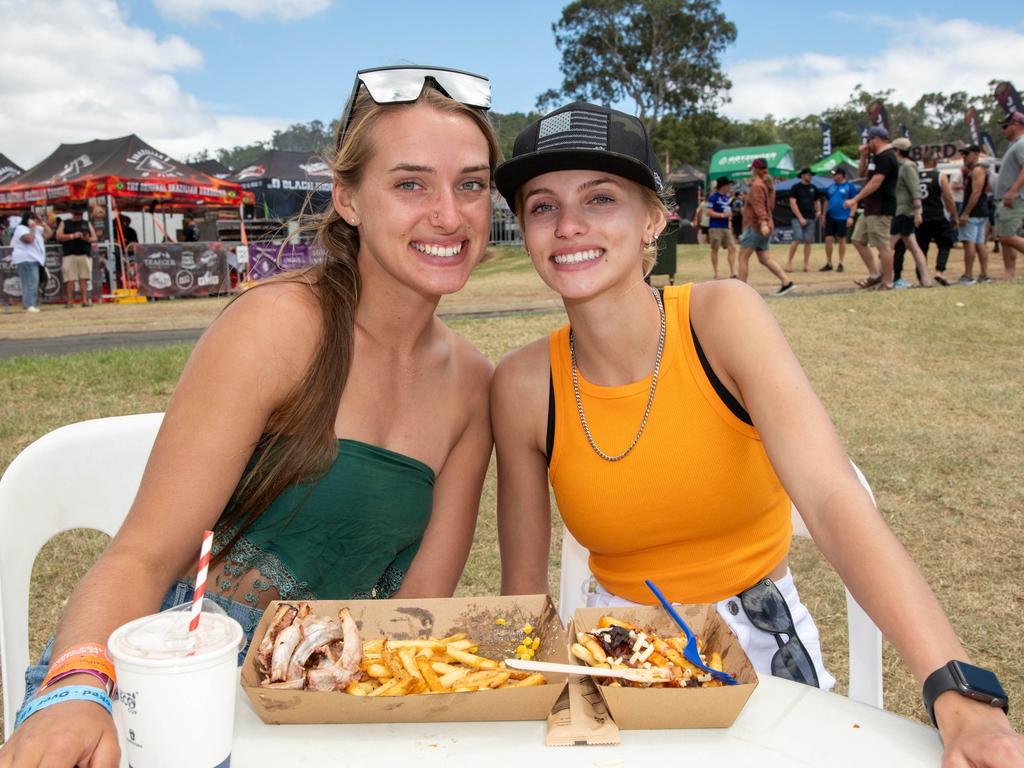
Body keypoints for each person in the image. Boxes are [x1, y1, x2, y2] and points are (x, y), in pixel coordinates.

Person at [491, 101, 1023, 767]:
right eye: (542, 206)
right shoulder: (520, 386)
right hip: (611, 653)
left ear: (655, 217)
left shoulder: (720, 319)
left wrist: (957, 688)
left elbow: (832, 498)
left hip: (760, 641)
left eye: (600, 198)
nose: (568, 226)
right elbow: (521, 602)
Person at [1, 65, 498, 767]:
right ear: (349, 199)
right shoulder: (279, 326)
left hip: (324, 701)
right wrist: (78, 687)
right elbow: (141, 555)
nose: (449, 214)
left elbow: (412, 619)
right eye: (410, 182)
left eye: (471, 184)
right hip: (168, 687)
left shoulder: (474, 384)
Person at [845, 126, 898, 289]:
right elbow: (862, 174)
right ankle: (875, 275)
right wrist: (863, 156)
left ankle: (888, 282)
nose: (867, 144)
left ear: (876, 139)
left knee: (883, 246)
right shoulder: (876, 157)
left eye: (869, 140)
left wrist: (855, 199)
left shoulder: (887, 157)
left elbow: (876, 182)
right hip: (871, 206)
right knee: (857, 239)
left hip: (881, 207)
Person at [894, 151, 958, 287]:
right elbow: (948, 197)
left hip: (920, 216)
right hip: (938, 215)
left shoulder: (915, 175)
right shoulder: (940, 175)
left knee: (921, 247)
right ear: (935, 162)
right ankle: (939, 271)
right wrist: (954, 215)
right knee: (945, 244)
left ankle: (921, 278)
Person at [735, 158, 793, 295]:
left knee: (743, 257)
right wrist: (766, 223)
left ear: (754, 170)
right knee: (764, 259)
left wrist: (763, 223)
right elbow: (770, 207)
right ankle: (787, 282)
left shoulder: (756, 186)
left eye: (751, 169)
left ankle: (741, 291)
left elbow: (759, 207)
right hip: (764, 226)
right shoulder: (767, 185)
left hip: (755, 227)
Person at [887, 138, 933, 288]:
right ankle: (926, 279)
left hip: (904, 211)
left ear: (898, 151)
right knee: (913, 247)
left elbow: (915, 190)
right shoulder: (898, 166)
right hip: (899, 210)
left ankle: (882, 277)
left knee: (889, 245)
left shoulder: (908, 166)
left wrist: (918, 211)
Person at [993, 111, 1024, 281]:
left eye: (1006, 126)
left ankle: (1009, 274)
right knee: (1005, 237)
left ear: (1016, 125)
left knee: (1007, 236)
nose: (1003, 129)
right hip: (1010, 198)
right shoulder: (1014, 145)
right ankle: (1009, 275)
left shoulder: (1021, 144)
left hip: (1015, 198)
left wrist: (1013, 191)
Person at [957, 145, 992, 284]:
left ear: (976, 154)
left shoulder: (978, 170)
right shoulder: (977, 170)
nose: (964, 156)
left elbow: (976, 192)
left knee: (969, 243)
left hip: (974, 212)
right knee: (980, 243)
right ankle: (983, 275)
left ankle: (968, 275)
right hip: (981, 211)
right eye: (963, 154)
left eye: (967, 153)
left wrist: (965, 213)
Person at [8, 210, 51, 312]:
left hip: (35, 259)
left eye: (35, 218)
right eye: (32, 218)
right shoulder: (20, 229)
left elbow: (49, 234)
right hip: (26, 258)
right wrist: (32, 229)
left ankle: (29, 304)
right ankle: (29, 305)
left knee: (34, 281)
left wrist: (42, 222)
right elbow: (29, 239)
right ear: (27, 219)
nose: (34, 221)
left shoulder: (37, 228)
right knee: (30, 282)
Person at [55, 203, 97, 307]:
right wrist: (72, 236)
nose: (78, 216)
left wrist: (86, 239)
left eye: (80, 214)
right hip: (69, 254)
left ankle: (84, 301)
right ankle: (70, 302)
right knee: (70, 279)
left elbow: (94, 238)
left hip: (84, 254)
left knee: (84, 278)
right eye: (76, 214)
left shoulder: (87, 223)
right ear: (72, 213)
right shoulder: (64, 223)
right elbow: (58, 236)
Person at [785, 168, 821, 272]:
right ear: (802, 175)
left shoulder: (813, 188)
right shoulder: (795, 187)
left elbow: (817, 200)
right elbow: (792, 203)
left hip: (810, 218)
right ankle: (789, 263)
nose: (810, 176)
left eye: (811, 175)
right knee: (797, 238)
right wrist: (800, 217)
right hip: (797, 218)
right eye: (808, 174)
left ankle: (806, 264)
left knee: (808, 241)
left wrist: (819, 211)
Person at [821, 168, 857, 272]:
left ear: (841, 175)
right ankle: (829, 263)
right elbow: (826, 202)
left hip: (843, 217)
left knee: (842, 240)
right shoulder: (831, 187)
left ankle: (840, 263)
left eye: (835, 174)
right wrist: (823, 216)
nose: (833, 177)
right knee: (828, 240)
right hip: (830, 217)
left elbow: (854, 202)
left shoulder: (850, 187)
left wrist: (851, 216)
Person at [706, 176, 736, 279]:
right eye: (728, 185)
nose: (729, 187)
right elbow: (708, 212)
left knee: (732, 247)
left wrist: (729, 214)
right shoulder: (713, 197)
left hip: (726, 227)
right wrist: (722, 215)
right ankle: (716, 273)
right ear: (723, 186)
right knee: (715, 249)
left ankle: (733, 272)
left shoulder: (726, 198)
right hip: (715, 227)